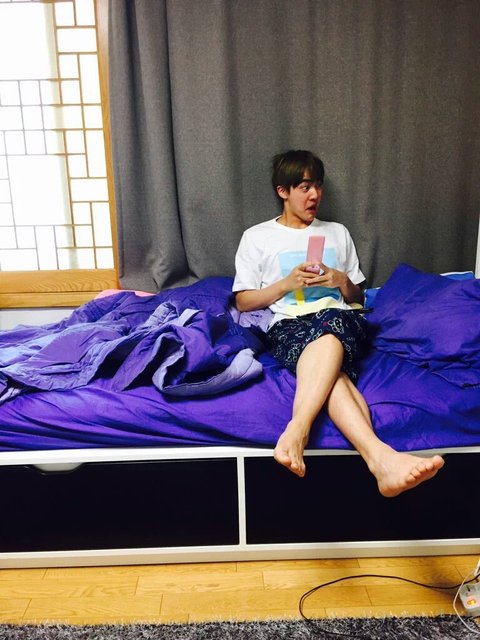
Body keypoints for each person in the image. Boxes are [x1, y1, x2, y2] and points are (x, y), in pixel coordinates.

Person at [232, 149, 444, 498]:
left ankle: (298, 428)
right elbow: (242, 301)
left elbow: (358, 297)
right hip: (289, 325)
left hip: (341, 318)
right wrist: (286, 284)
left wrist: (340, 280)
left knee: (332, 327)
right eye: (304, 187)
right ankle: (381, 459)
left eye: (318, 186)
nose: (314, 195)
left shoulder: (336, 232)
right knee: (335, 375)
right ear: (283, 191)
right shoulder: (257, 237)